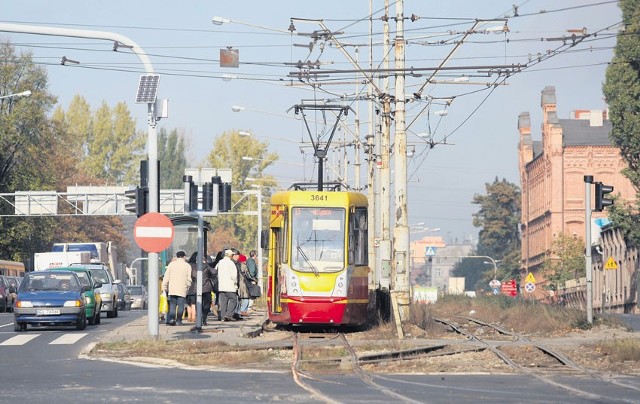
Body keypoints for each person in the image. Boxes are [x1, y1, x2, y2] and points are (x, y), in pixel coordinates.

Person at [162, 250, 192, 326]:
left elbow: (166, 277)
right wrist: (188, 287)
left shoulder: (171, 265)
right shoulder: (187, 266)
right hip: (182, 289)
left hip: (172, 289)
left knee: (172, 305)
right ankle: (179, 320)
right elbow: (189, 279)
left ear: (177, 256)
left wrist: (164, 287)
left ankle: (172, 319)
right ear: (184, 256)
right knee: (181, 306)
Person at [216, 249, 239, 322]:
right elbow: (234, 276)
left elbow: (215, 271)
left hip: (221, 286)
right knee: (233, 300)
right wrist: (235, 284)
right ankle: (229, 314)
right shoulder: (231, 263)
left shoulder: (220, 262)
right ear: (230, 255)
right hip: (230, 286)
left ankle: (222, 317)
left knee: (223, 303)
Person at [236, 254, 257, 318]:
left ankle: (239, 311)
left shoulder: (237, 265)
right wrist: (253, 279)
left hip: (239, 283)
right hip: (244, 283)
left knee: (239, 297)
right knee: (246, 297)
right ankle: (243, 311)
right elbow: (248, 275)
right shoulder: (244, 266)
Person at [185, 252, 199, 323]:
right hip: (194, 286)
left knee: (188, 303)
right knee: (193, 303)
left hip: (187, 286)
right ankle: (193, 317)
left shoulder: (187, 265)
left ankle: (189, 317)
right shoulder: (196, 266)